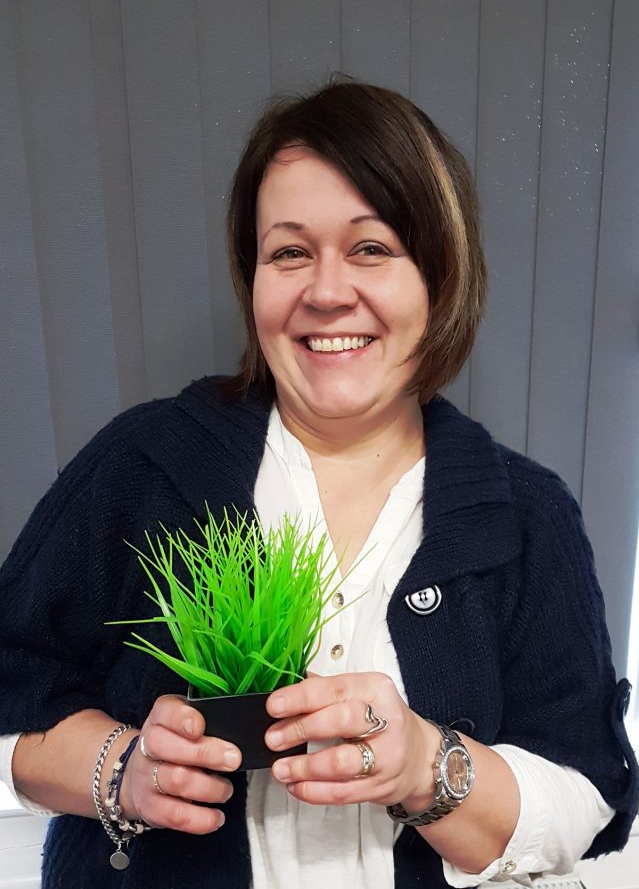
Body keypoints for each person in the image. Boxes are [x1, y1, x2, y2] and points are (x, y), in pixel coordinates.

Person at [0, 78, 637, 889]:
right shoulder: (142, 466)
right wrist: (121, 772)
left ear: (439, 277)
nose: (327, 291)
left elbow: (586, 796)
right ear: (253, 277)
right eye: (289, 252)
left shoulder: (526, 516)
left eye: (371, 248)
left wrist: (424, 766)